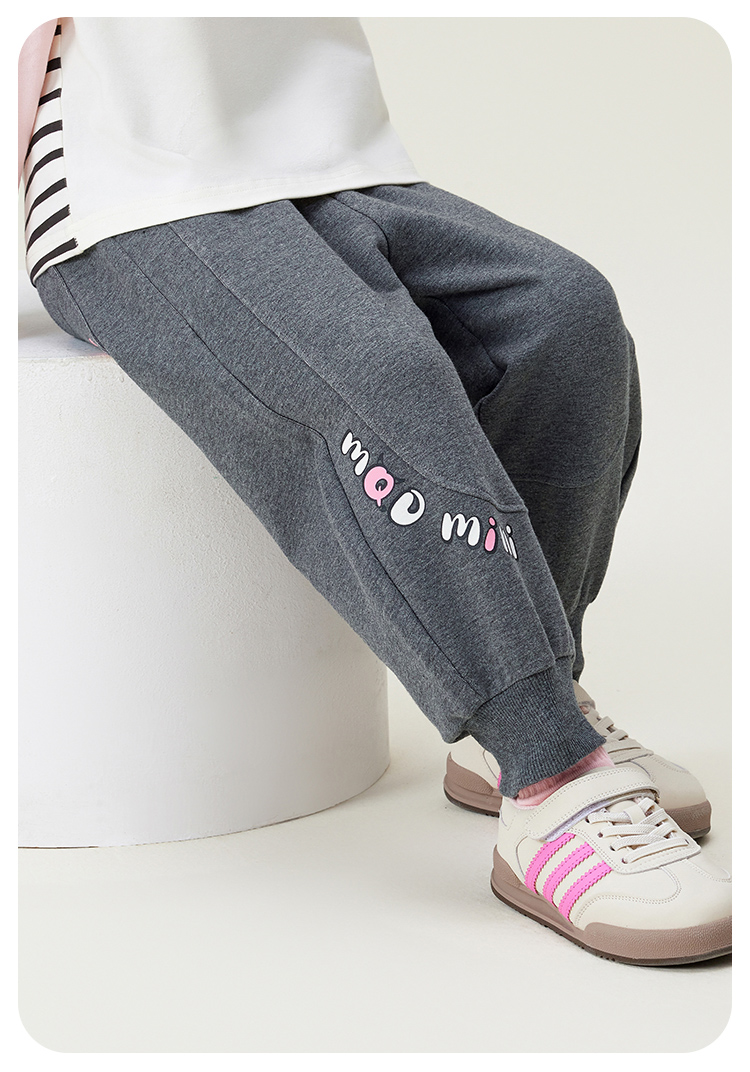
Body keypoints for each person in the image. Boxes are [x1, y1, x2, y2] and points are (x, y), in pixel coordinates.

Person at [19, 16, 730, 966]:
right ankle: (548, 777)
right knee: (379, 378)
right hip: (125, 186)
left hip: (322, 149)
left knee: (567, 318)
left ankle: (527, 706)